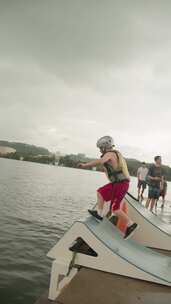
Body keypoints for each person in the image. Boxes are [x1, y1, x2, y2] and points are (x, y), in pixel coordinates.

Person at [79, 136, 139, 240]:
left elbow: (100, 161)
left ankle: (131, 225)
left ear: (105, 147)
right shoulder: (113, 155)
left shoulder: (109, 154)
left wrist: (85, 165)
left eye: (100, 147)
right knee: (100, 192)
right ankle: (99, 214)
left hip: (121, 184)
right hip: (117, 183)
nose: (100, 150)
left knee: (115, 209)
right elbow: (109, 171)